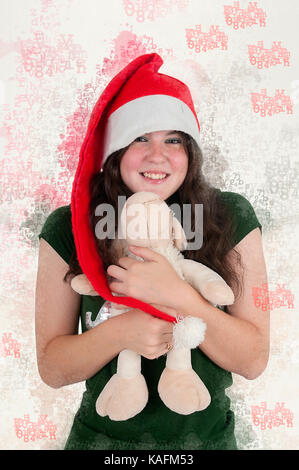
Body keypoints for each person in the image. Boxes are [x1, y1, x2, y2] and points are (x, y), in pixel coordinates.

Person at [35, 53, 270, 450]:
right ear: (115, 150)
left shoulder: (230, 215)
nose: (157, 156)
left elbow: (253, 360)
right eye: (140, 137)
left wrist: (177, 295)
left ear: (189, 152)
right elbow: (53, 368)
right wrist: (120, 332)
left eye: (172, 140)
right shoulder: (67, 226)